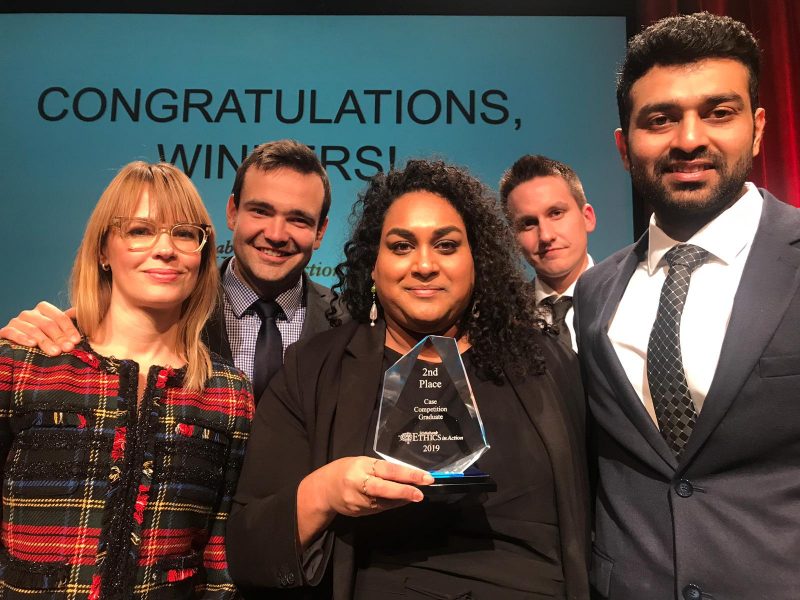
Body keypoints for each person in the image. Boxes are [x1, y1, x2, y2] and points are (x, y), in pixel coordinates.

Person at [226, 159, 590, 599]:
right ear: (373, 267)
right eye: (400, 246)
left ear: (478, 261)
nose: (423, 265)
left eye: (447, 245)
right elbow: (249, 548)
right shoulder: (314, 368)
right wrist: (325, 493)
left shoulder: (547, 363)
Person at [573, 12, 799, 599]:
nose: (689, 138)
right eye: (660, 119)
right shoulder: (597, 292)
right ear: (625, 147)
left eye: (718, 112)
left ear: (757, 128)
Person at [0, 162, 252, 599]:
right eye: (140, 230)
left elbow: (218, 559)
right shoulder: (24, 365)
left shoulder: (228, 394)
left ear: (203, 254)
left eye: (184, 233)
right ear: (103, 250)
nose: (165, 249)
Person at [0, 140, 343, 403]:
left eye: (298, 219)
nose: (276, 234)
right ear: (232, 212)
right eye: (261, 211)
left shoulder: (350, 322)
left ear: (320, 232)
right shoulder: (164, 304)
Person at [500, 155, 597, 352]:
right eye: (528, 223)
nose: (545, 236)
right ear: (513, 238)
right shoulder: (501, 322)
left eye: (556, 213)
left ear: (587, 218)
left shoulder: (633, 298)